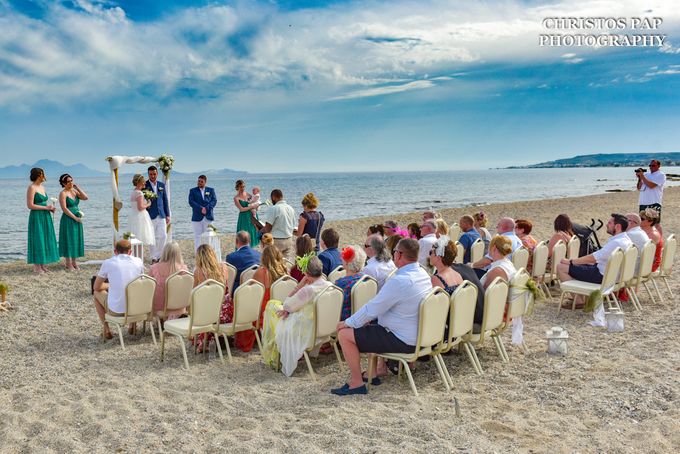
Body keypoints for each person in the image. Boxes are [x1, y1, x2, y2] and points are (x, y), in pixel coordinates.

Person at [332, 238, 432, 396]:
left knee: (345, 334)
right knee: (369, 324)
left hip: (402, 339)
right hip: (419, 335)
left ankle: (356, 383)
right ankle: (373, 371)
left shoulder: (400, 281)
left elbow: (373, 308)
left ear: (399, 255)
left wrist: (348, 322)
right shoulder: (423, 274)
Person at [261, 256, 332, 376]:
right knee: (278, 310)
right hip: (323, 326)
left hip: (307, 328)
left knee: (271, 306)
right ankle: (274, 351)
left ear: (306, 273)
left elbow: (287, 304)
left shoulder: (308, 290)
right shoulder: (330, 285)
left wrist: (301, 284)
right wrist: (289, 310)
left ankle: (273, 352)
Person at [557, 214, 633, 307]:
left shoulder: (616, 242)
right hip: (613, 276)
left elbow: (593, 258)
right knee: (578, 266)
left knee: (561, 267)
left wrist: (571, 261)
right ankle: (582, 297)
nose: (606, 225)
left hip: (602, 277)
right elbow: (598, 258)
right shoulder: (627, 240)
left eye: (609, 223)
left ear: (617, 226)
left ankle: (579, 301)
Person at [92, 240, 145, 339]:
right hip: (136, 309)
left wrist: (109, 285)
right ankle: (132, 325)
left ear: (115, 251)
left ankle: (107, 329)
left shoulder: (108, 263)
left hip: (116, 310)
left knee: (96, 293)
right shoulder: (138, 261)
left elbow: (96, 287)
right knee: (134, 289)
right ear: (130, 252)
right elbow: (141, 282)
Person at [429, 236, 485, 325]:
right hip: (460, 322)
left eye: (431, 252)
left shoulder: (436, 279)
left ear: (439, 257)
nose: (429, 255)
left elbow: (433, 308)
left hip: (446, 327)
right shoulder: (457, 274)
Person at [26, 167, 59, 273]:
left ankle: (42, 264)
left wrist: (50, 208)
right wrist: (46, 208)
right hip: (36, 217)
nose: (44, 175)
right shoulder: (32, 187)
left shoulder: (42, 187)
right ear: (39, 175)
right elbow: (30, 205)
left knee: (45, 238)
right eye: (42, 173)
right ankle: (37, 266)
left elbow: (43, 203)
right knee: (38, 239)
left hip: (45, 216)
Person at [253, 245, 288, 332]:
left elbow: (252, 292)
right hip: (282, 307)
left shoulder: (261, 272)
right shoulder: (285, 271)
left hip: (266, 309)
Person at [148, 242, 188, 318]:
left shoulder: (154, 268)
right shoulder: (184, 268)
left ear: (164, 252)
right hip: (180, 307)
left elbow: (148, 286)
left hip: (161, 308)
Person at [58, 173, 88, 270]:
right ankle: (68, 263)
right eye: (68, 182)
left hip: (77, 218)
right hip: (68, 218)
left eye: (71, 180)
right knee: (68, 239)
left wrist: (77, 187)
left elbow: (85, 198)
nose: (70, 183)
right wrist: (74, 218)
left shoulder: (74, 191)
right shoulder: (62, 193)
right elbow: (64, 209)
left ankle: (74, 262)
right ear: (63, 183)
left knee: (76, 239)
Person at [261, 189, 296, 260]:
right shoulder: (291, 208)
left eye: (271, 198)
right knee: (286, 264)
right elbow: (293, 225)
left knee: (272, 263)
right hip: (289, 239)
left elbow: (268, 228)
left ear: (274, 197)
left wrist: (260, 229)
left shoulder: (274, 208)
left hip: (276, 241)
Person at [145, 166, 170, 262]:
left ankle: (160, 255)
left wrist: (167, 215)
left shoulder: (161, 185)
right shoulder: (145, 185)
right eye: (150, 174)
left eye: (154, 174)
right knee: (152, 237)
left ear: (157, 174)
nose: (152, 176)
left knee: (163, 235)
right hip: (150, 214)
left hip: (161, 214)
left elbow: (165, 200)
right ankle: (153, 257)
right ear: (148, 174)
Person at [334, 246, 367, 320]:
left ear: (346, 263)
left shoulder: (341, 284)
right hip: (361, 319)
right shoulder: (367, 279)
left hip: (344, 321)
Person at [636, 159, 665, 235]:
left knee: (655, 223)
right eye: (650, 165)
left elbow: (651, 185)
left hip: (654, 202)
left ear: (659, 166)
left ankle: (659, 241)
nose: (651, 167)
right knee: (643, 223)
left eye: (653, 165)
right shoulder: (646, 175)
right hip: (643, 202)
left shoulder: (661, 175)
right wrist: (639, 178)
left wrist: (642, 176)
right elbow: (639, 187)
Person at [188, 175, 217, 250]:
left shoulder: (211, 190)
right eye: (198, 181)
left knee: (209, 235)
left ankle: (208, 253)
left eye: (201, 181)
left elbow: (214, 201)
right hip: (197, 217)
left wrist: (206, 208)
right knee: (197, 236)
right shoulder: (192, 191)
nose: (199, 183)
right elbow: (191, 202)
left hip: (208, 216)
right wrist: (201, 208)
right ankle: (198, 254)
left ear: (205, 182)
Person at [128, 174, 156, 247]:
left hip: (133, 215)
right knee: (141, 236)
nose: (145, 183)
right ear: (139, 183)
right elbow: (140, 207)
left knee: (135, 236)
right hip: (140, 216)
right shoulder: (139, 193)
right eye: (143, 182)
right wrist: (148, 204)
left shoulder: (133, 192)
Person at [233, 180, 260, 248]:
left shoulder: (248, 194)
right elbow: (241, 209)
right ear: (237, 187)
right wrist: (251, 206)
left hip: (252, 216)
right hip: (244, 217)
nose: (243, 188)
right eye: (241, 187)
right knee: (243, 234)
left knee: (253, 232)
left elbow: (254, 202)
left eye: (244, 186)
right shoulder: (236, 198)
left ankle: (252, 249)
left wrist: (256, 207)